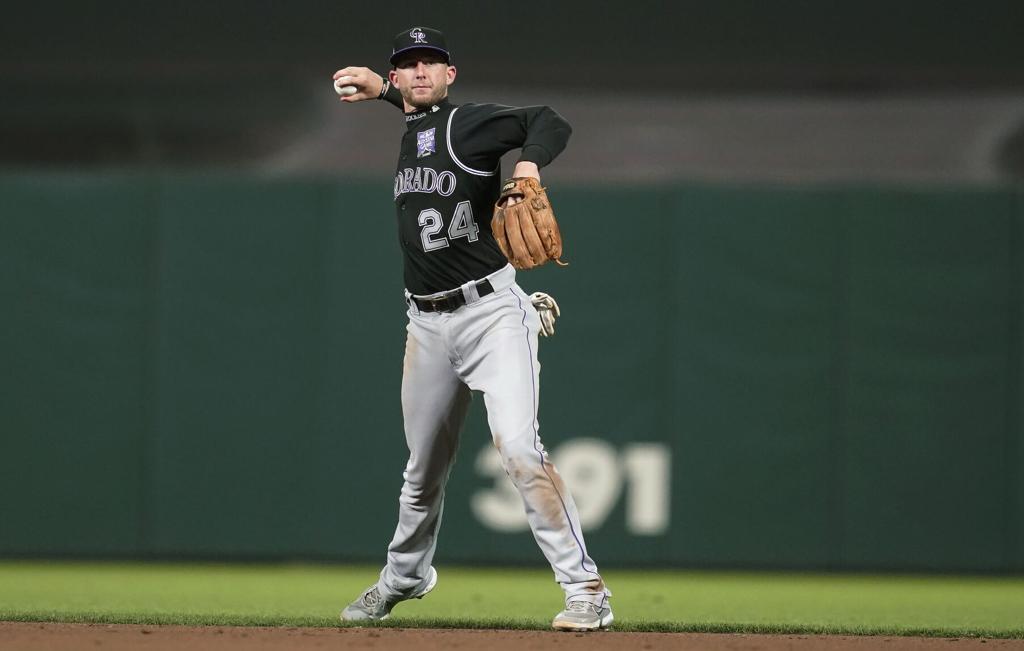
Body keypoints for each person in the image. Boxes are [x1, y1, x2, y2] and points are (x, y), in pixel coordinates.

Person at [331, 26, 612, 631]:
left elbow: (548, 118)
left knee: (519, 449)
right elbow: (415, 119)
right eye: (409, 65)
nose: (422, 70)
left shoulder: (468, 124)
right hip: (426, 323)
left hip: (490, 315)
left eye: (432, 62)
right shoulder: (415, 126)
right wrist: (386, 92)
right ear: (398, 76)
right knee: (422, 469)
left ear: (451, 74)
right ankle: (405, 577)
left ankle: (586, 590)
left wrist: (529, 164)